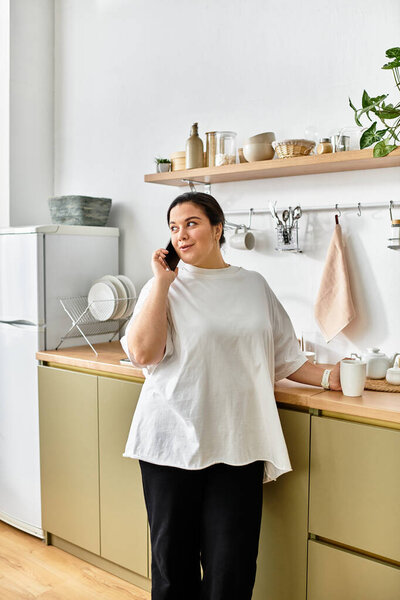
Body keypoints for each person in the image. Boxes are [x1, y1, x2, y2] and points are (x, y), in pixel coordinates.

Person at [120, 191, 342, 600]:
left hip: (238, 443)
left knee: (233, 568)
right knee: (173, 569)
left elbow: (285, 359)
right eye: (173, 227)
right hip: (170, 442)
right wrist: (162, 282)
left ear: (217, 228)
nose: (181, 235)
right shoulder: (164, 288)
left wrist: (334, 377)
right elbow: (141, 354)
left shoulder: (253, 285)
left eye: (191, 223)